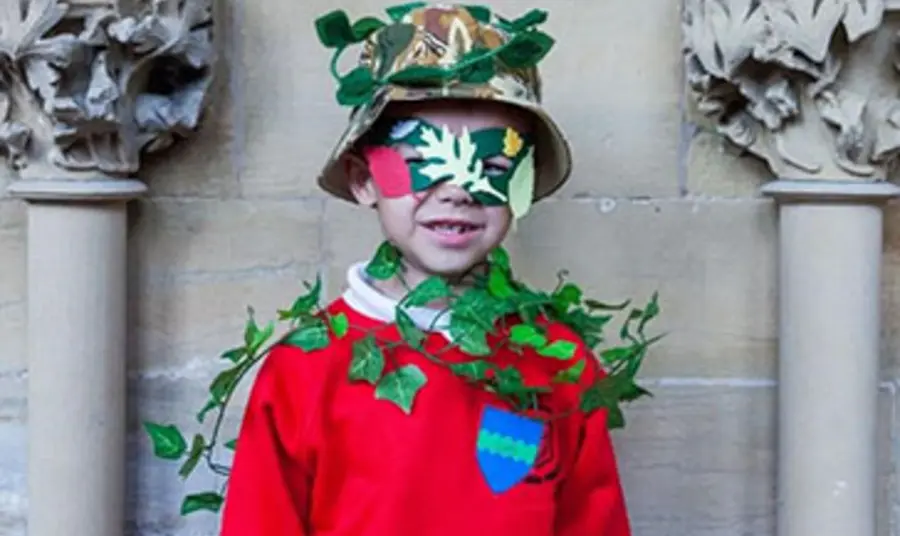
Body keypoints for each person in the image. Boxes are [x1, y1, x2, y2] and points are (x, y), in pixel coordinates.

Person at [220, 4, 652, 535]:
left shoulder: (557, 363)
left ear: (524, 183)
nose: (459, 189)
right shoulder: (307, 368)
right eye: (423, 158)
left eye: (492, 166)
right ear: (363, 179)